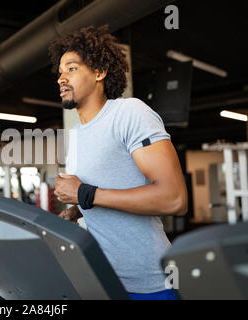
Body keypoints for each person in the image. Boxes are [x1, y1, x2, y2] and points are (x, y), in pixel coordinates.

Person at [49, 25, 187, 300]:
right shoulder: (75, 135)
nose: (61, 78)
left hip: (148, 282)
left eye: (72, 68)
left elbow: (174, 199)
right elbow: (111, 189)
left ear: (99, 72)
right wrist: (78, 210)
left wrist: (85, 194)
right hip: (99, 279)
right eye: (60, 71)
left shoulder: (129, 113)